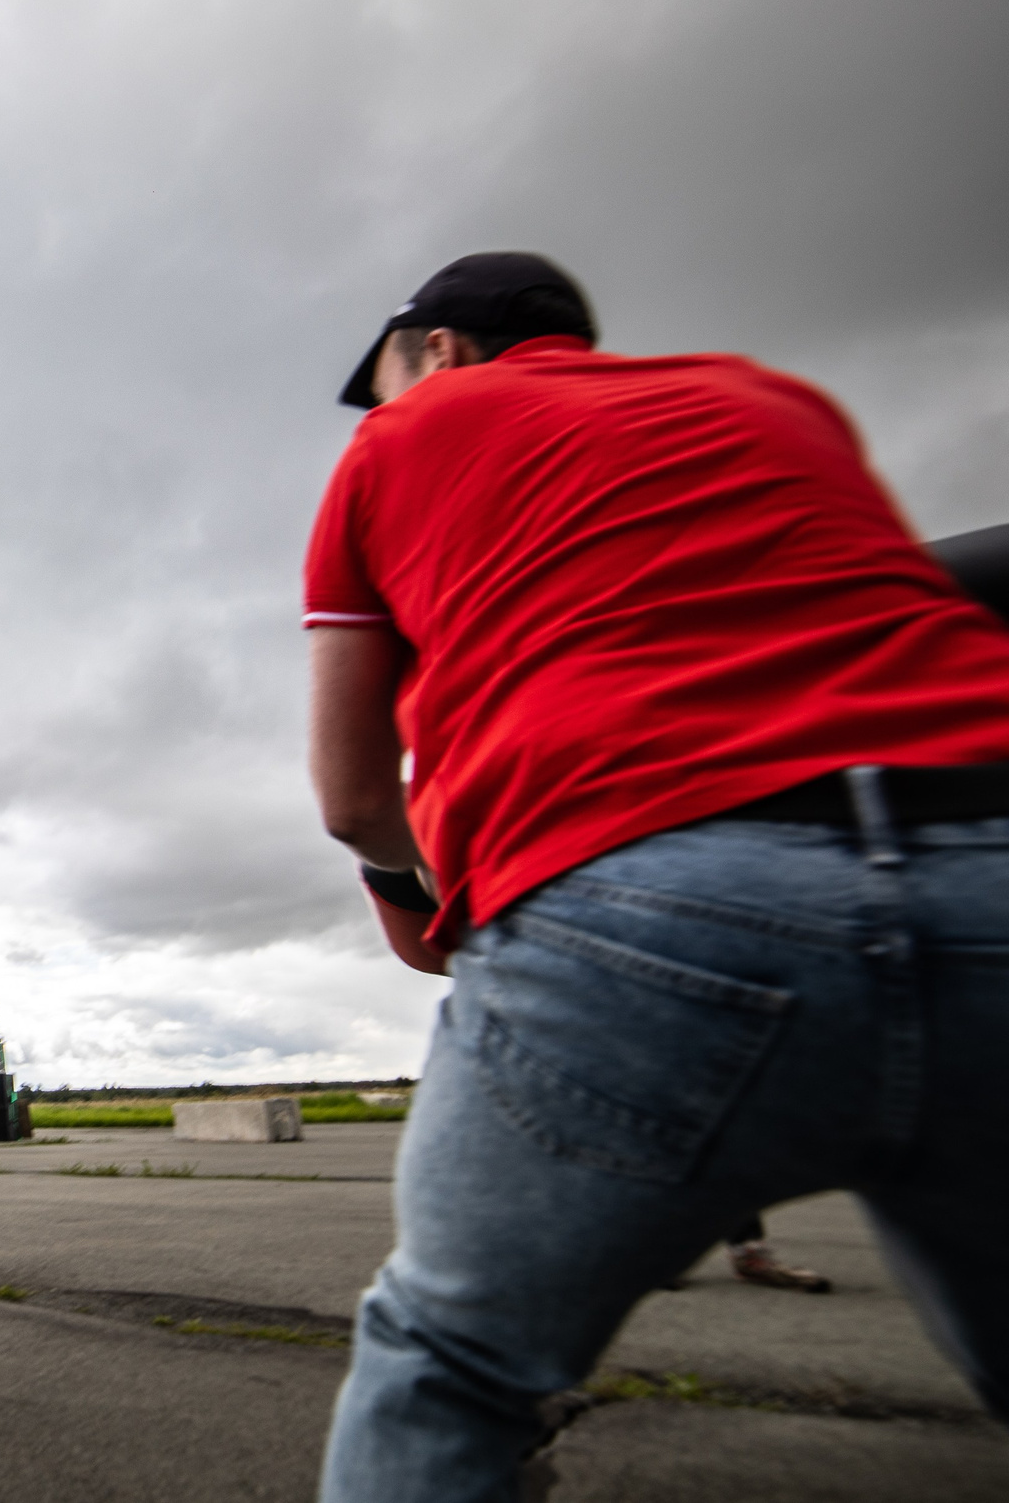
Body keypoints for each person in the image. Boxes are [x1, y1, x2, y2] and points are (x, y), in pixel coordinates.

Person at [304, 252, 1009, 1501]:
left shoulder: (402, 438)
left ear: (439, 348)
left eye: (388, 373)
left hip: (645, 890)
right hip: (981, 861)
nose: (383, 401)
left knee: (448, 1367)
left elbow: (357, 799)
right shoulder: (772, 397)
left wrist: (424, 898)